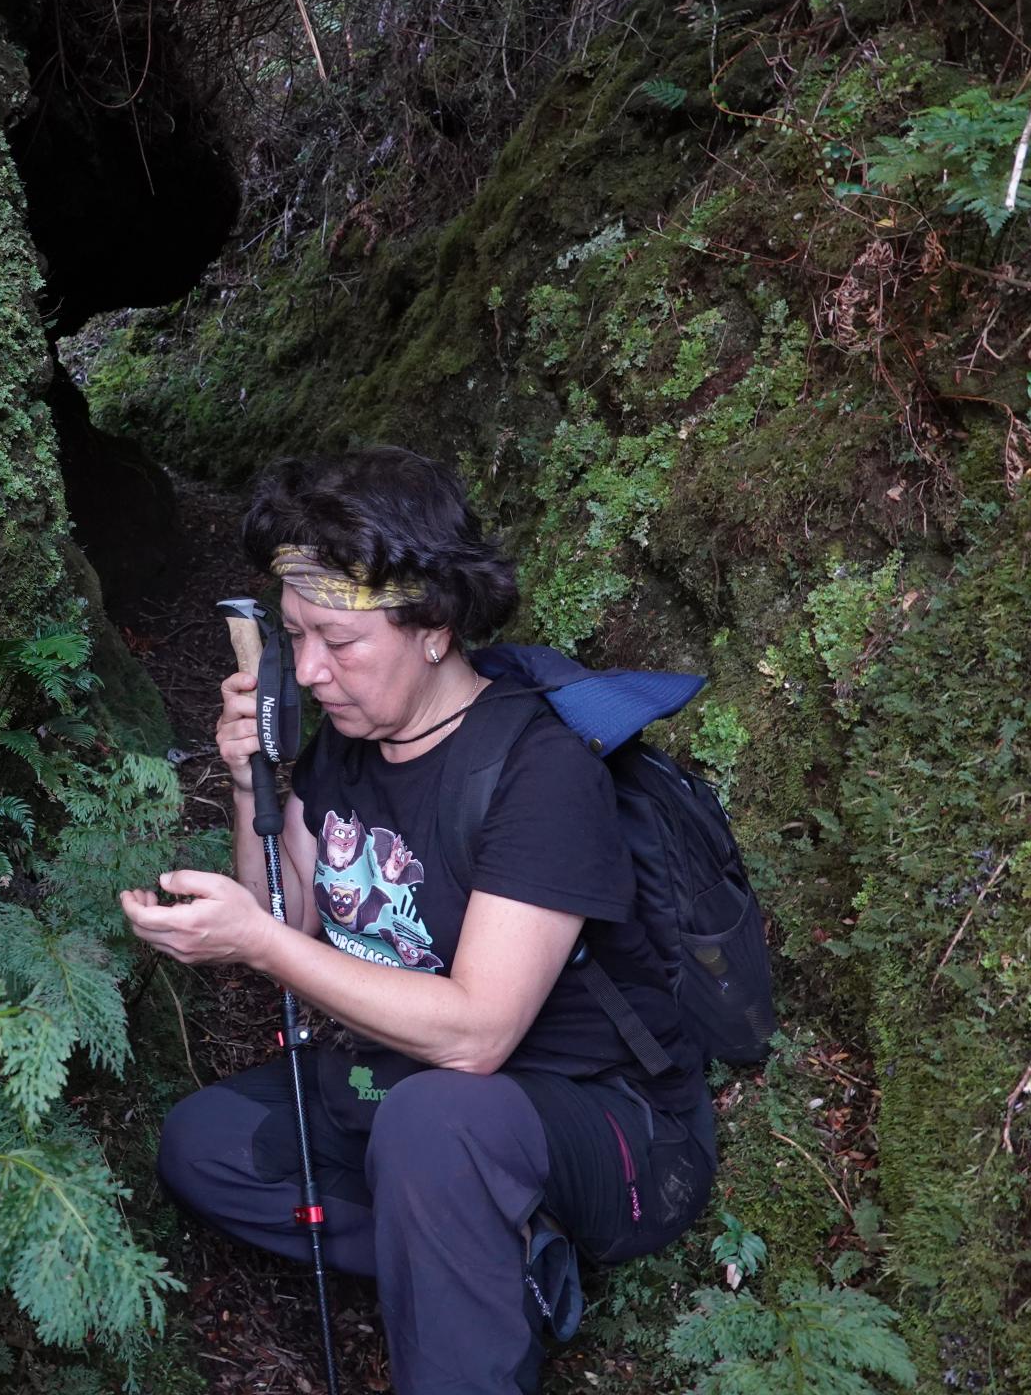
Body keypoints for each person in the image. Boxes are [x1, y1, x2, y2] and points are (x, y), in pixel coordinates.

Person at [119, 447, 716, 1393]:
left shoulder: (539, 773)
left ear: (434, 625)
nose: (310, 670)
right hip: (403, 1081)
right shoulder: (346, 744)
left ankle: (466, 1277)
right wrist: (250, 785)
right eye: (294, 637)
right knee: (203, 1147)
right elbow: (294, 912)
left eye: (340, 643)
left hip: (591, 1118)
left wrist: (261, 943)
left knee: (436, 1126)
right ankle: (485, 1250)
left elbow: (478, 1034)